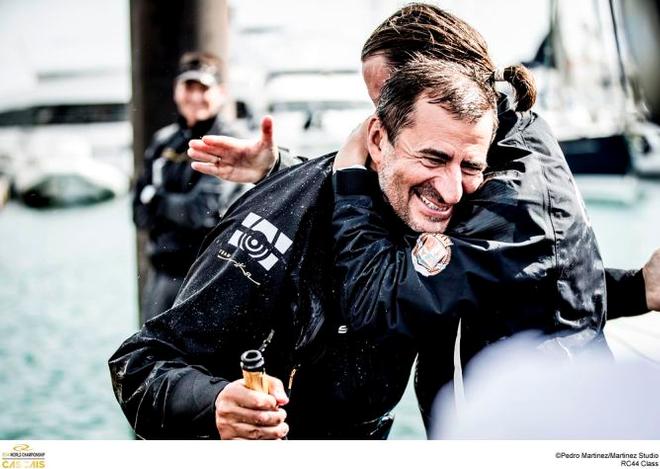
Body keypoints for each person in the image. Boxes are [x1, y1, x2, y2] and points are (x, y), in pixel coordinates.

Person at [110, 5, 656, 440]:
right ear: (382, 133)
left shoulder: (485, 190)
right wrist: (215, 404)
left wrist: (630, 288)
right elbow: (140, 361)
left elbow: (477, 282)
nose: (450, 185)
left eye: (467, 163)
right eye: (376, 106)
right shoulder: (301, 211)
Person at [133, 51, 249, 323]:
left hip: (209, 278)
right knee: (150, 358)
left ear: (220, 93)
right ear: (176, 91)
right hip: (162, 276)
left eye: (204, 88)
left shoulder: (230, 142)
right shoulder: (163, 142)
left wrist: (157, 200)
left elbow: (201, 211)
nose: (195, 97)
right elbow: (138, 212)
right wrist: (168, 204)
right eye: (188, 87)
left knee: (200, 363)